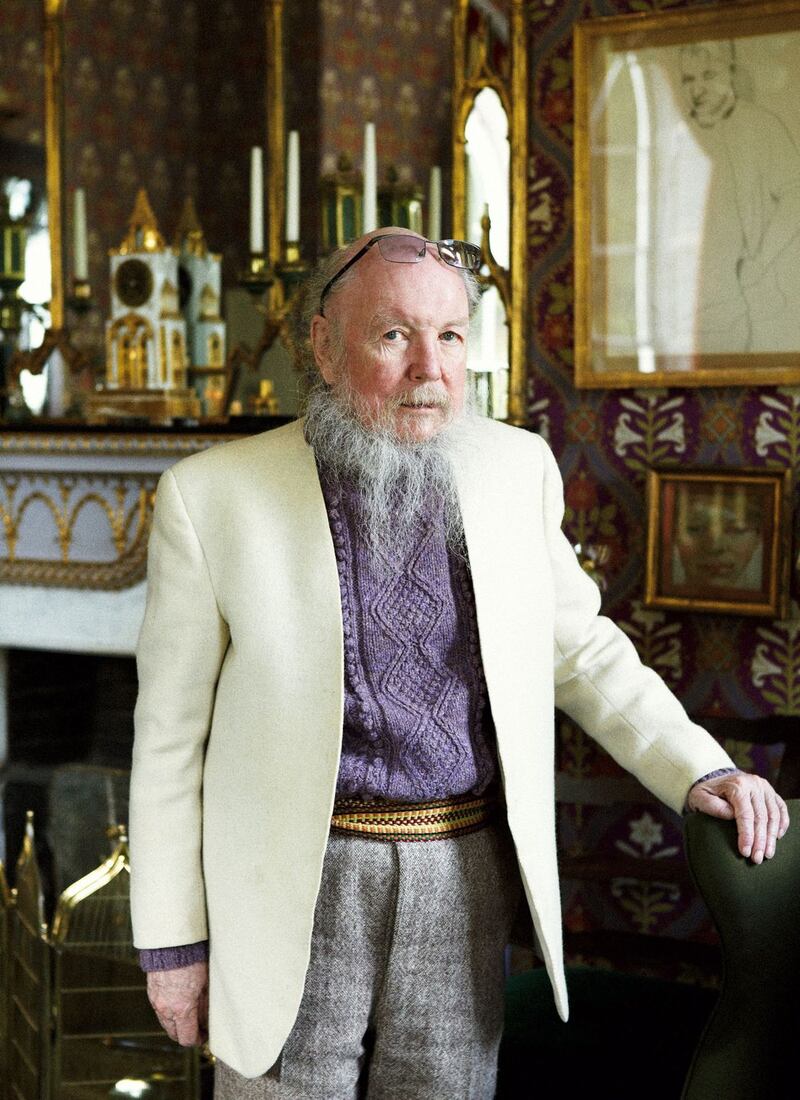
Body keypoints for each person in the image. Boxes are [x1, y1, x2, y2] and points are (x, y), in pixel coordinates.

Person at [129, 228, 789, 1099]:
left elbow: (583, 649)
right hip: (289, 882)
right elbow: (169, 739)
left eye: (449, 337)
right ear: (324, 346)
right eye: (393, 335)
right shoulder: (210, 496)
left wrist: (698, 765)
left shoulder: (517, 468)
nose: (429, 369)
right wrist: (174, 945)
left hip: (463, 871)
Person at [668, 40, 800, 352]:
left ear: (730, 73)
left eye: (708, 75)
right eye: (689, 80)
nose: (698, 89)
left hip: (742, 299)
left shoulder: (760, 125)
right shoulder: (677, 135)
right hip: (683, 307)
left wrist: (760, 262)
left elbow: (796, 194)